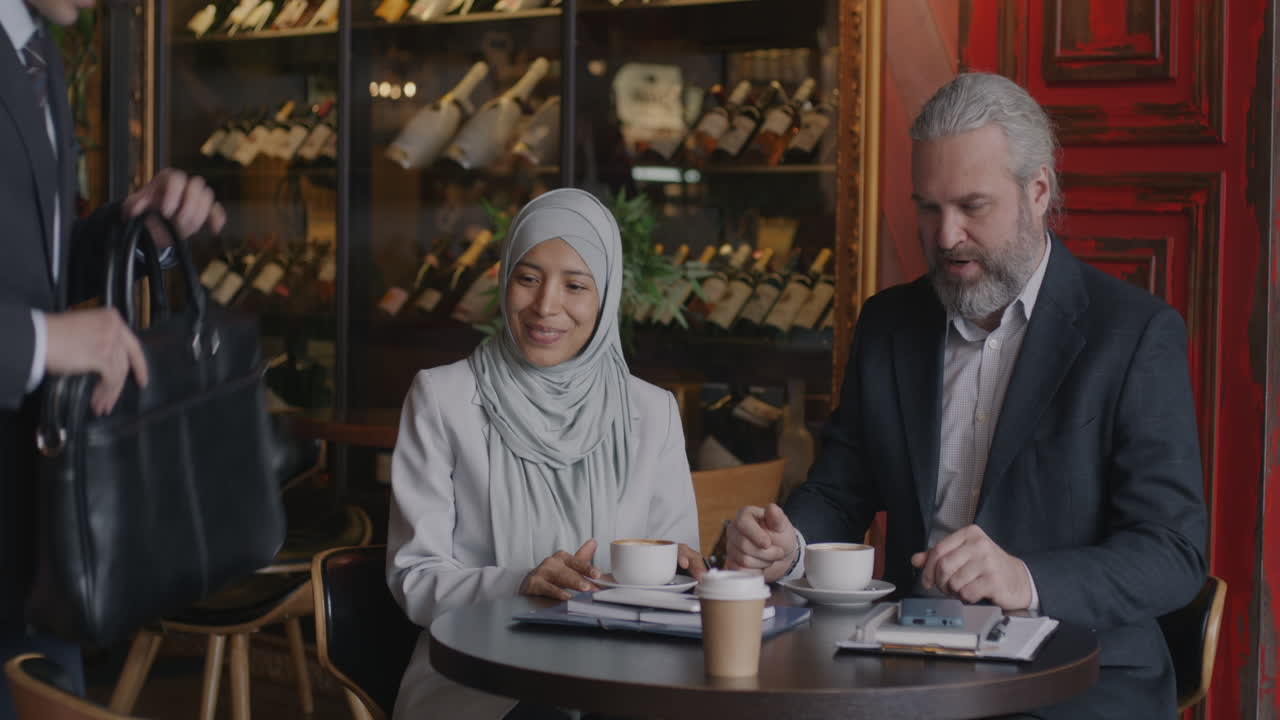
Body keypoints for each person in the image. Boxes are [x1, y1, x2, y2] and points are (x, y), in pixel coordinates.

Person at [726, 72, 1206, 719]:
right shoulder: (889, 324)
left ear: (1038, 191)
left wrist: (1024, 579)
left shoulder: (1133, 334)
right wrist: (789, 547)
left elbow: (1172, 553)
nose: (946, 235)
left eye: (972, 206)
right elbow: (840, 490)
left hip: (1074, 683)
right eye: (928, 207)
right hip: (908, 671)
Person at [387, 188, 703, 719]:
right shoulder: (442, 397)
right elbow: (414, 577)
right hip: (483, 683)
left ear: (606, 297)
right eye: (528, 278)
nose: (545, 305)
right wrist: (518, 584)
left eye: (575, 285)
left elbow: (675, 568)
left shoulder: (652, 412)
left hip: (622, 677)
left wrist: (685, 573)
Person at [0, 1, 226, 715]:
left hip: (31, 538)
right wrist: (46, 342)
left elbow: (38, 269)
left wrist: (138, 228)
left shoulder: (38, 51)